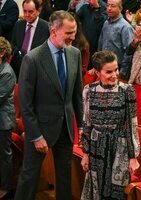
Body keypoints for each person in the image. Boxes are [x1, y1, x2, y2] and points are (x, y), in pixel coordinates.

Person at [14, 11, 83, 200]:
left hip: (66, 128)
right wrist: (35, 135)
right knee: (29, 177)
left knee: (64, 178)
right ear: (53, 31)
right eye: (68, 33)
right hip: (39, 130)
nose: (73, 37)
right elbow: (25, 103)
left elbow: (77, 95)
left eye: (74, 32)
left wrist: (82, 125)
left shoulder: (75, 54)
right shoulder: (33, 58)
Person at [81, 50, 140, 200]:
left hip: (119, 146)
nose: (114, 74)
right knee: (97, 188)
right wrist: (85, 153)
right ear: (97, 72)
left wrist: (133, 157)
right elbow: (87, 123)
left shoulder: (127, 90)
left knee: (117, 192)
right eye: (109, 72)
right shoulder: (89, 90)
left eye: (116, 69)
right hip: (96, 145)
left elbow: (132, 124)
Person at [11, 0, 49, 80]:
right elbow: (13, 45)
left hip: (37, 70)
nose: (27, 15)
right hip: (18, 68)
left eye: (30, 11)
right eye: (25, 11)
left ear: (38, 11)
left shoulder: (46, 27)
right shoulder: (18, 25)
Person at [69, 0, 107, 69]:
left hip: (95, 46)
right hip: (83, 44)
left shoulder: (104, 7)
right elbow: (74, 19)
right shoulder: (85, 7)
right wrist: (73, 8)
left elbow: (101, 24)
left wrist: (97, 8)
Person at [0, 36, 16, 199]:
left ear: (1, 53)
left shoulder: (7, 72)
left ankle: (6, 188)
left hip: (3, 121)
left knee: (4, 156)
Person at [98, 0, 134, 71]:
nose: (109, 8)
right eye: (108, 5)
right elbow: (101, 44)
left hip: (118, 67)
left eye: (113, 6)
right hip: (103, 64)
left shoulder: (126, 27)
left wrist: (122, 72)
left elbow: (129, 53)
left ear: (120, 8)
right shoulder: (106, 23)